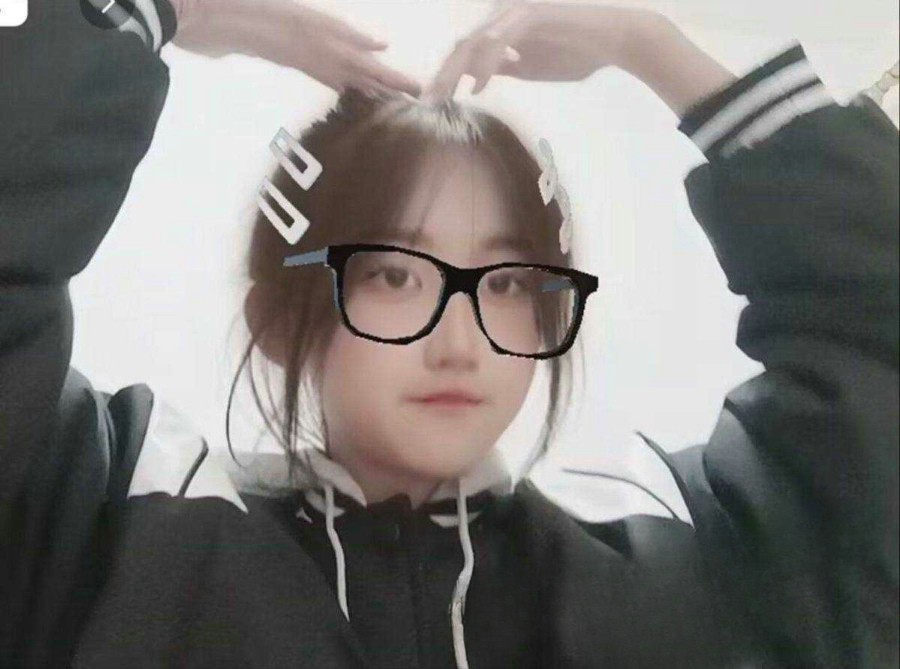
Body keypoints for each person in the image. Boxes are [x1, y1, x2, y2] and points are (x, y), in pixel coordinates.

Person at [1, 0, 896, 667]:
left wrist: (651, 46)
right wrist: (144, 13)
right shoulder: (121, 522)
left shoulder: (680, 551)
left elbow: (872, 342)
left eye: (505, 282)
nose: (461, 340)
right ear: (280, 317)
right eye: (396, 274)